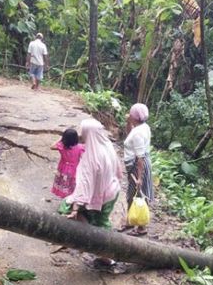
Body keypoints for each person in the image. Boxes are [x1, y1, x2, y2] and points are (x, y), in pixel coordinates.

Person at [59, 119, 122, 267]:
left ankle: (106, 254)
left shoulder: (91, 157)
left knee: (68, 207)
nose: (81, 136)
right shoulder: (107, 146)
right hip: (113, 190)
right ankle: (103, 249)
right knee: (101, 220)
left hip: (102, 195)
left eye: (83, 133)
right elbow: (118, 169)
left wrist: (75, 207)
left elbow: (84, 185)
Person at [123, 103, 154, 236]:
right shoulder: (143, 127)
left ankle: (141, 227)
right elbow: (130, 134)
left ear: (135, 117)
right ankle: (130, 221)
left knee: (139, 194)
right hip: (137, 164)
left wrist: (139, 178)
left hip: (138, 166)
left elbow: (140, 157)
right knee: (132, 194)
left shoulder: (138, 134)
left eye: (131, 114)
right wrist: (128, 123)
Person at [50, 128, 85, 198]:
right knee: (72, 182)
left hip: (63, 167)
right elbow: (84, 157)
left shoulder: (61, 146)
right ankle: (71, 196)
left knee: (63, 181)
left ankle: (63, 195)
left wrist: (60, 139)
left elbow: (52, 146)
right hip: (74, 168)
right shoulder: (80, 147)